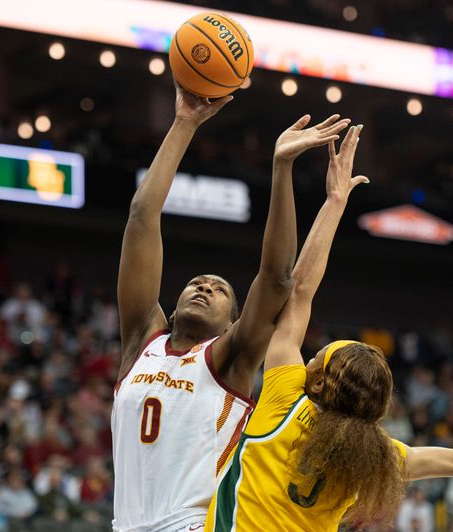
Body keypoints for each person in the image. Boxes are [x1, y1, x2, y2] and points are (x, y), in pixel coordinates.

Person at [206, 125, 453, 531]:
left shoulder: (285, 401)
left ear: (318, 381)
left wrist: (336, 201)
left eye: (316, 357)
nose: (309, 357)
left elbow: (300, 291)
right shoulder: (375, 456)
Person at [112, 83, 351, 532]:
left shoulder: (230, 359)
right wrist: (185, 123)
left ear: (233, 322)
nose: (203, 286)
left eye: (219, 289)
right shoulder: (140, 342)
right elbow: (142, 219)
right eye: (195, 283)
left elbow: (279, 279)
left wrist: (282, 168)